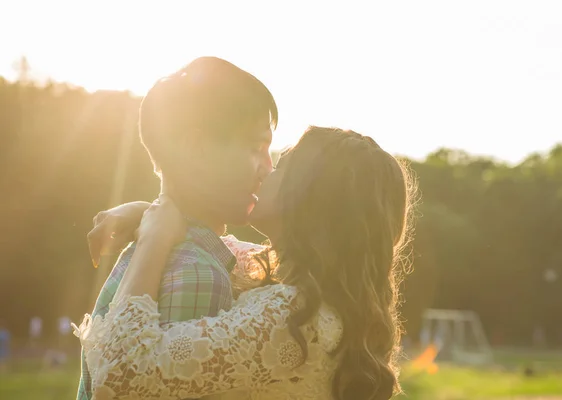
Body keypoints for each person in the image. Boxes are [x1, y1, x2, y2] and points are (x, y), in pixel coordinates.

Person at [77, 126, 415, 399]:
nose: (266, 169)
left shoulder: (292, 318)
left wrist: (153, 240)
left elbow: (121, 377)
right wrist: (145, 211)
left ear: (310, 198)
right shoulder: (320, 306)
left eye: (281, 166)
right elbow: (222, 245)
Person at [76, 56, 278, 400]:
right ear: (196, 147)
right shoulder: (199, 273)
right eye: (256, 147)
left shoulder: (151, 247)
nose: (268, 168)